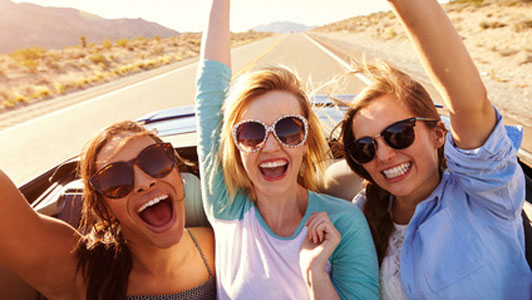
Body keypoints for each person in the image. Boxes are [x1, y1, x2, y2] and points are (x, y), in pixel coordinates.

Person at [340, 0, 532, 299]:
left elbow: (470, 105)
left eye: (399, 134)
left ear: (438, 134)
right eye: (365, 148)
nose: (384, 155)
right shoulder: (359, 215)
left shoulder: (486, 194)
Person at [194, 0, 379, 299]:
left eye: (288, 130)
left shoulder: (343, 223)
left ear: (306, 141)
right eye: (251, 133)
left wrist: (314, 272)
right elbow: (209, 92)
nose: (270, 146)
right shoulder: (227, 206)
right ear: (236, 147)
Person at [0, 120, 215, 300]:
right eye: (116, 179)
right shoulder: (84, 273)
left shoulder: (219, 247)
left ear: (177, 173)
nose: (143, 182)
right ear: (104, 209)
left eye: (155, 160)